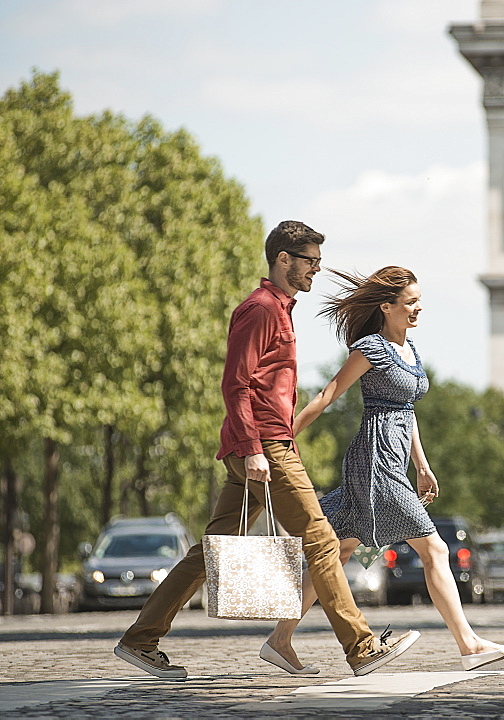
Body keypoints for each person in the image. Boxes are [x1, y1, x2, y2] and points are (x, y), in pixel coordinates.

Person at [114, 221, 420, 680]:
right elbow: (235, 384)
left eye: (318, 261)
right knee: (320, 539)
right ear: (283, 260)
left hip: (261, 446)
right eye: (310, 261)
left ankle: (140, 641)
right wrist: (257, 449)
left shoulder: (280, 308)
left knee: (211, 551)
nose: (316, 269)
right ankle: (361, 647)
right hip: (266, 447)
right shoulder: (259, 309)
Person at [262, 265, 504, 674]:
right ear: (387, 306)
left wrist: (422, 464)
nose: (418, 308)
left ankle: (279, 640)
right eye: (410, 302)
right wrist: (281, 437)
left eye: (419, 300)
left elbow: (408, 410)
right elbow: (329, 394)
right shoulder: (371, 348)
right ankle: (469, 644)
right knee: (435, 548)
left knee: (340, 549)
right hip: (375, 460)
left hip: (398, 459)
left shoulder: (409, 349)